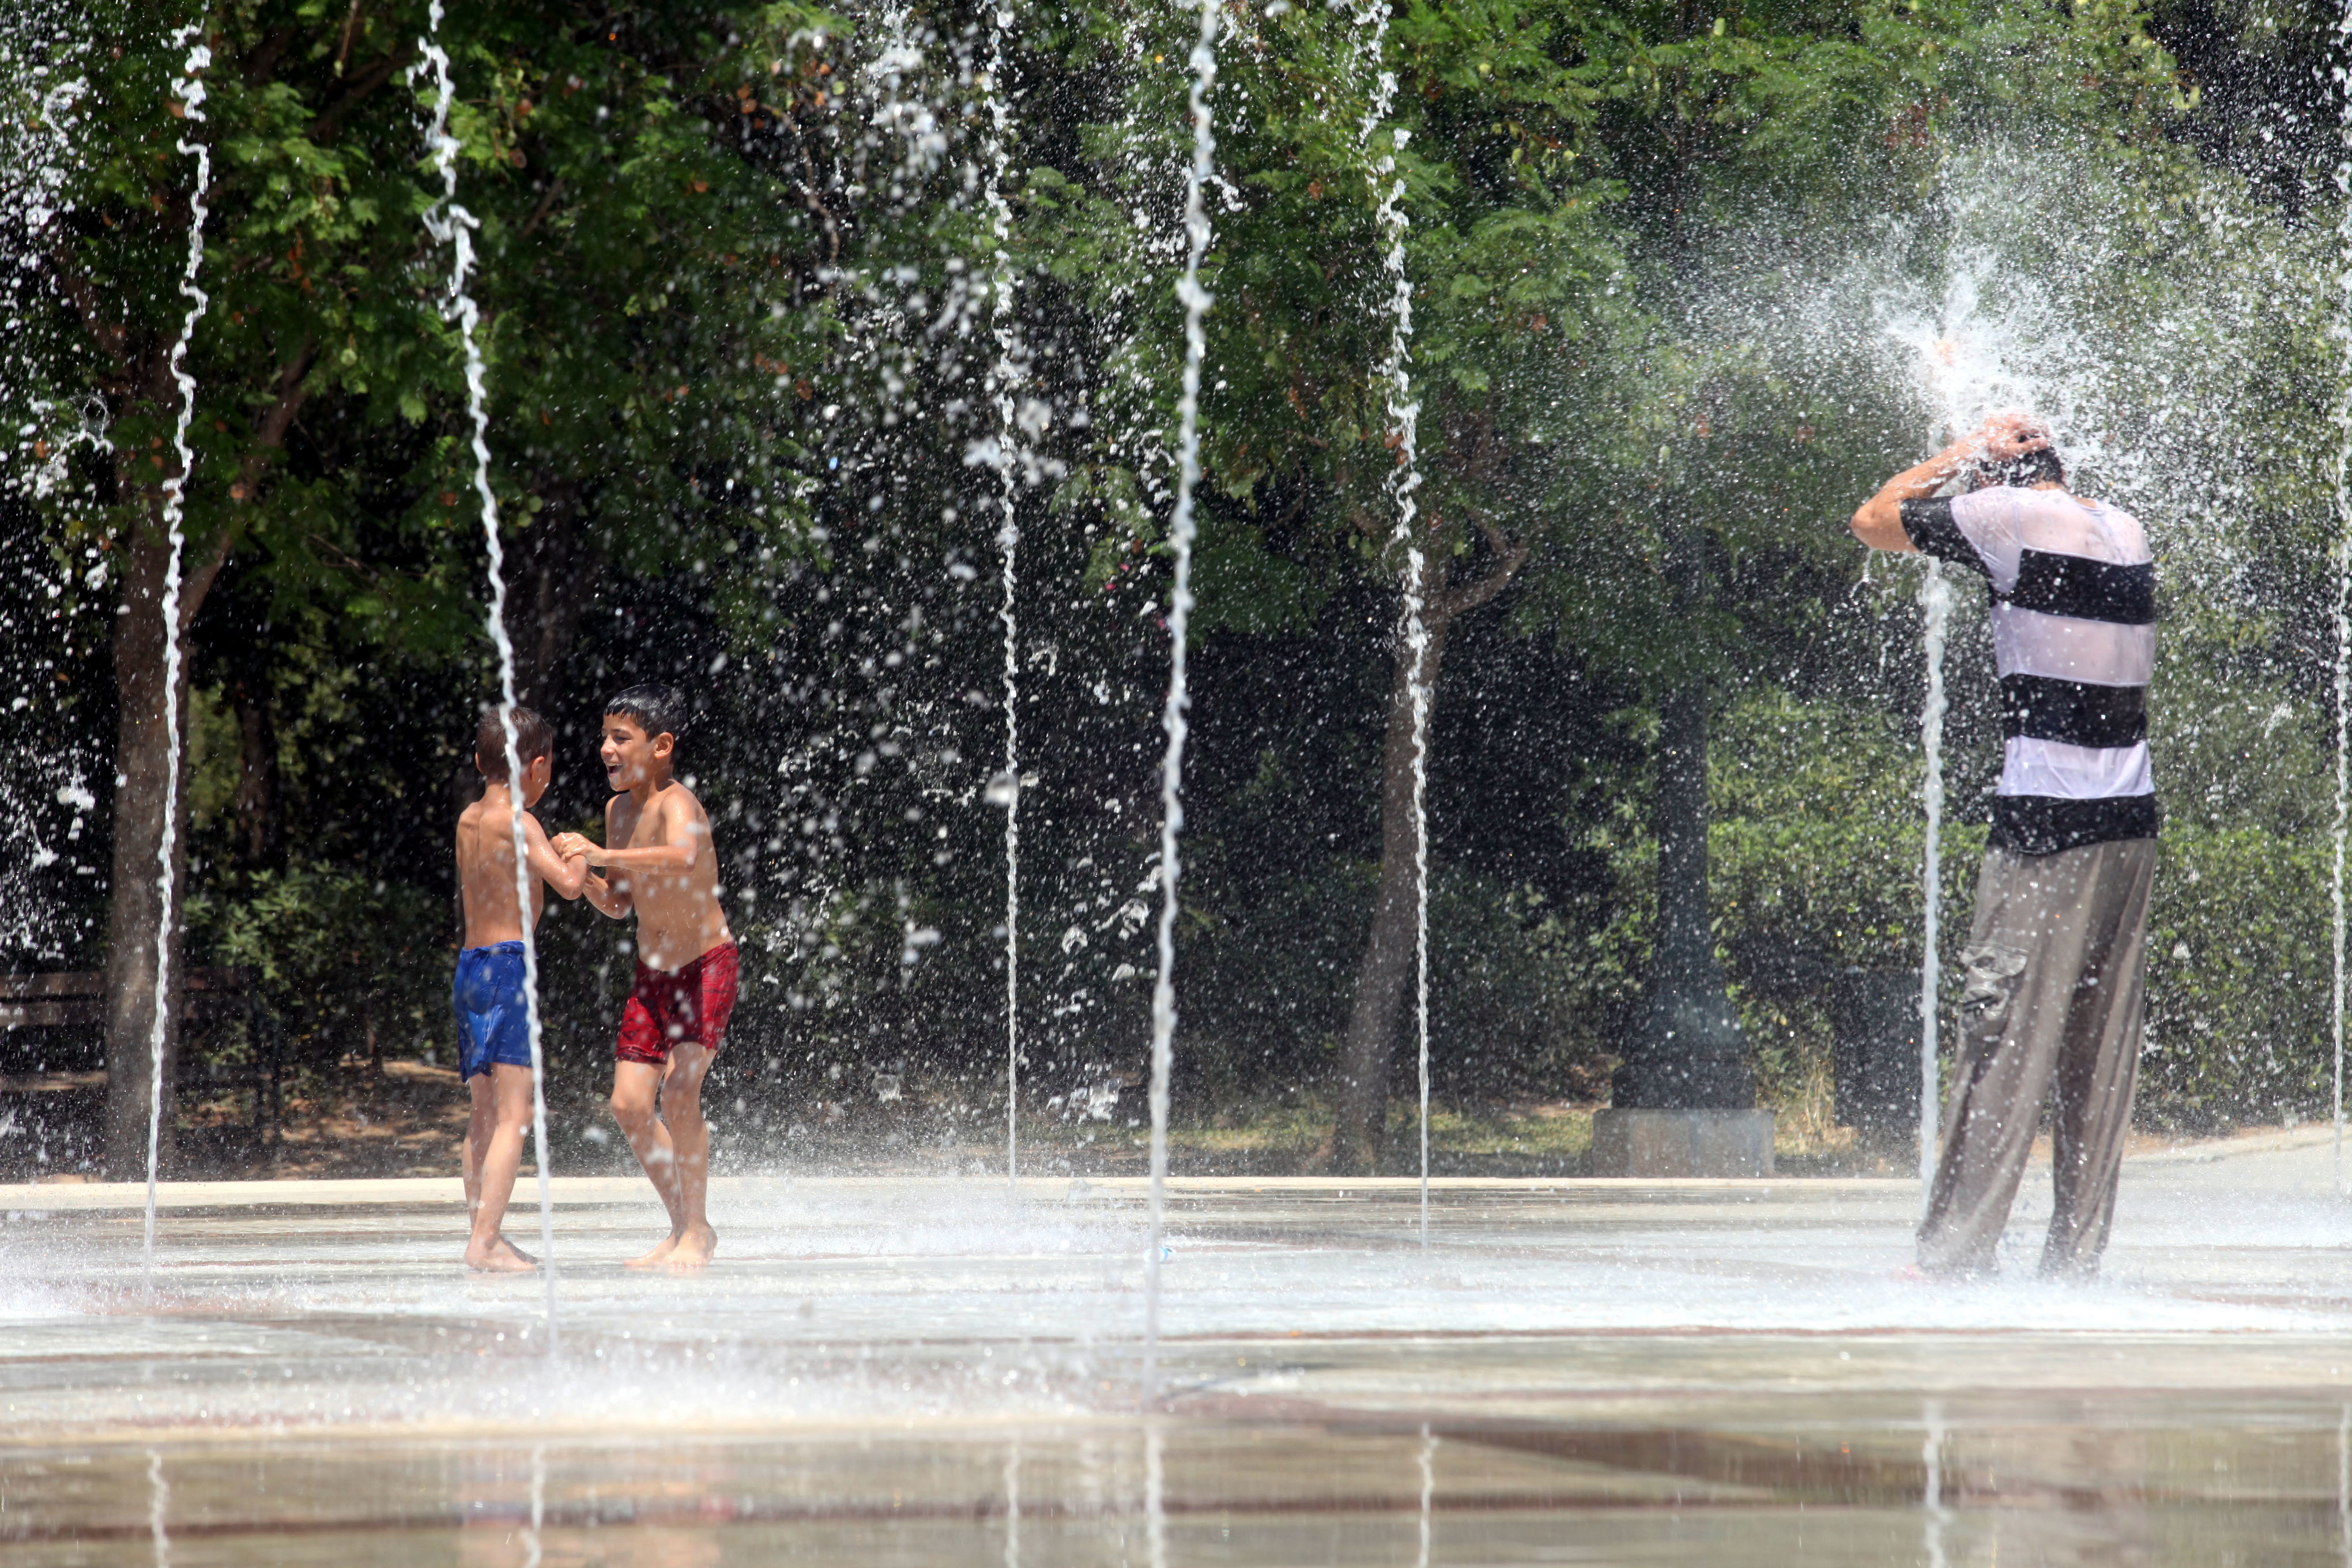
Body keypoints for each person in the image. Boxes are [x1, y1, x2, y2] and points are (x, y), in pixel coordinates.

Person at [1850, 412, 2158, 1280]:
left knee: (2002, 1038)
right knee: (2098, 1057)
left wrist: (1958, 454)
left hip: (2045, 826)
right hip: (2130, 825)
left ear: (1999, 479)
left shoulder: (2006, 519)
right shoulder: (2121, 527)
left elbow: (1874, 520)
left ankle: (1953, 1259)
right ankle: (2074, 1267)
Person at [553, 684, 738, 1269]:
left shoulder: (677, 803)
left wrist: (602, 855)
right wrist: (582, 876)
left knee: (680, 1092)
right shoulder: (619, 810)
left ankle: (698, 1228)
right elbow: (619, 905)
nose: (606, 747)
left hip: (705, 964)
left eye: (620, 737)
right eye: (604, 736)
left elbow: (682, 856)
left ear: (661, 745)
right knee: (630, 1104)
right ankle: (683, 1225)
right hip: (653, 973)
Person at [452, 704, 587, 1273]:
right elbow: (570, 887)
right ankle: (486, 1241)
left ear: (480, 760)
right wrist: (578, 853)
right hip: (509, 966)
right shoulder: (522, 821)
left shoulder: (467, 819)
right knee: (516, 1114)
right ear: (537, 766)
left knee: (483, 1112)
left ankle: (480, 1229)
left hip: (470, 967)